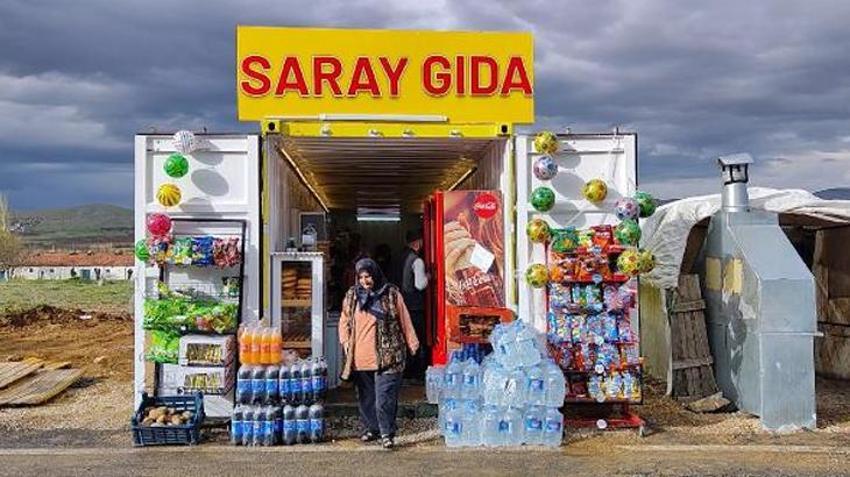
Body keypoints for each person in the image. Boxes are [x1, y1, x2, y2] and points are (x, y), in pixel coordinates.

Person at [339, 258, 420, 449]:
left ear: (375, 275)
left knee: (384, 398)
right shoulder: (352, 296)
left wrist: (413, 343)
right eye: (361, 277)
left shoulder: (391, 294)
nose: (365, 281)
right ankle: (372, 429)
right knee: (367, 398)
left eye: (368, 277)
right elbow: (344, 320)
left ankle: (387, 432)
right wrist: (345, 342)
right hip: (360, 357)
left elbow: (404, 319)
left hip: (389, 356)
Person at [399, 229, 428, 381]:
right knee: (416, 339)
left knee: (404, 338)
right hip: (414, 306)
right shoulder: (417, 260)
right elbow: (420, 284)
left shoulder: (401, 257)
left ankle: (405, 371)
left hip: (401, 304)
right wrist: (429, 276)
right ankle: (415, 372)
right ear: (418, 242)